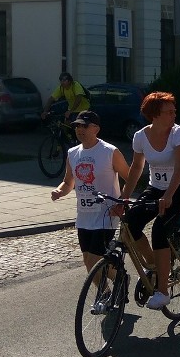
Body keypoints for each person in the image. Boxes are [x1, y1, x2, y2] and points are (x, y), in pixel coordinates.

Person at [114, 91, 180, 310]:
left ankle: (162, 291)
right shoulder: (140, 136)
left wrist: (168, 196)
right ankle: (156, 264)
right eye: (169, 112)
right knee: (130, 222)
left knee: (159, 229)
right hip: (156, 187)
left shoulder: (179, 134)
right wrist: (123, 198)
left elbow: (179, 167)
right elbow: (137, 168)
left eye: (174, 110)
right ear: (154, 115)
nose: (173, 114)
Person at [50, 109, 130, 274]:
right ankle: (115, 283)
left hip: (106, 215)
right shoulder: (73, 153)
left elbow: (130, 177)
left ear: (96, 129)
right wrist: (59, 191)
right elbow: (68, 182)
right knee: (88, 261)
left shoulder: (110, 152)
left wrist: (122, 201)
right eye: (77, 126)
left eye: (84, 126)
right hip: (84, 216)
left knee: (94, 261)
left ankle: (113, 287)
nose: (80, 130)